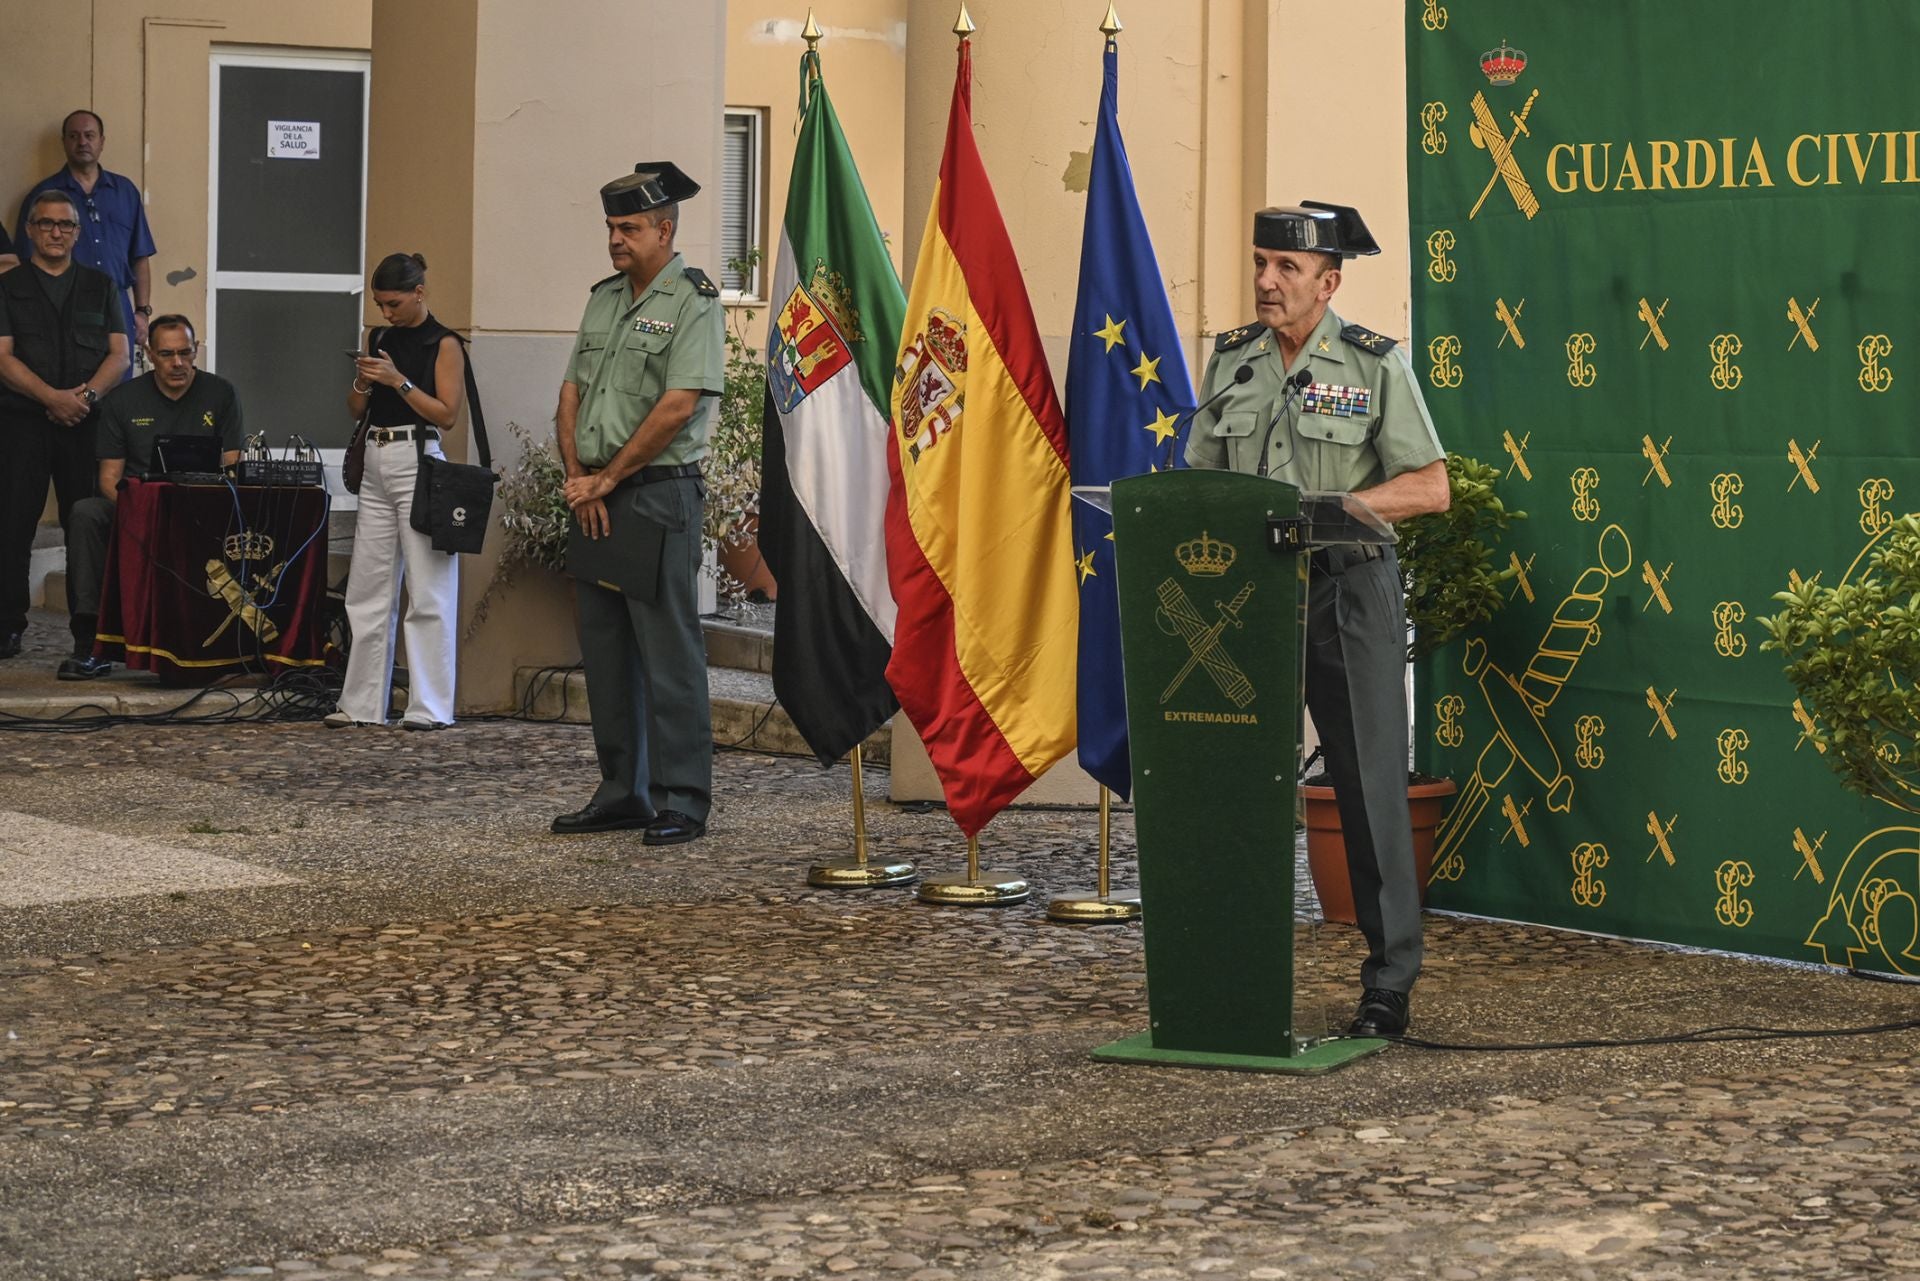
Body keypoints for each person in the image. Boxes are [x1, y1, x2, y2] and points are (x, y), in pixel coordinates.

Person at [1186, 201, 1449, 1038]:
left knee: (1369, 786)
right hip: (1248, 594)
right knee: (1233, 777)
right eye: (1260, 263)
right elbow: (1199, 479)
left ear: (1328, 283)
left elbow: (1430, 486)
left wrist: (1339, 508)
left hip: (1348, 590)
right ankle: (1229, 970)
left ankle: (1388, 983)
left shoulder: (1374, 363)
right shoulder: (1232, 362)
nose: (1266, 281)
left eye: (1286, 268)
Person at [549, 163, 723, 846]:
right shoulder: (604, 298)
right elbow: (571, 393)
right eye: (611, 228)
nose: (615, 239)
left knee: (669, 652)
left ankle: (684, 798)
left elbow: (678, 406)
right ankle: (625, 791)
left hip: (656, 495)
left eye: (628, 228)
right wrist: (579, 478)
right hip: (596, 495)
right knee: (607, 651)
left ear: (664, 230)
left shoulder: (693, 301)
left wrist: (609, 479)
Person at [326, 252, 465, 731]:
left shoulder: (444, 342)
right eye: (380, 304)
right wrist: (364, 379)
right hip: (376, 456)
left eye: (394, 303)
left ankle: (430, 708)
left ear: (419, 292)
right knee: (368, 586)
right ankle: (361, 705)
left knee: (428, 589)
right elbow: (354, 409)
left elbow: (447, 414)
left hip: (418, 456)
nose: (386, 313)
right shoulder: (380, 337)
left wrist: (398, 380)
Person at [61, 314, 243, 679]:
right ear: (149, 354)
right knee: (85, 513)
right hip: (137, 510)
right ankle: (90, 644)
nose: (177, 363)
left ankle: (231, 643)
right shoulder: (123, 400)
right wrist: (143, 512)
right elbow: (109, 480)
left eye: (185, 353)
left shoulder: (221, 393)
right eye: (166, 354)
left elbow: (233, 466)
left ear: (195, 350)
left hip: (202, 511)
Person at [0, 190, 130, 661]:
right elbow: (2, 356)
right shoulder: (8, 286)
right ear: (30, 230)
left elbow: (120, 355)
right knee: (13, 526)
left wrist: (84, 398)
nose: (56, 232)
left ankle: (88, 632)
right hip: (21, 423)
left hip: (86, 425)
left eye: (66, 225)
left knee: (86, 528)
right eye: (46, 223)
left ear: (77, 232)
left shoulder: (101, 285)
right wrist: (51, 397)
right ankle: (7, 626)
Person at [13, 110, 157, 351]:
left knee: (119, 372)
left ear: (102, 141)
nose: (82, 142)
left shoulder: (125, 192)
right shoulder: (43, 196)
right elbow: (25, 264)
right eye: (74, 136)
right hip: (62, 310)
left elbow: (140, 256)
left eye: (89, 135)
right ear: (64, 142)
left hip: (117, 309)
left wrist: (142, 311)